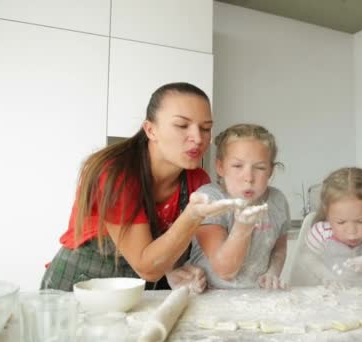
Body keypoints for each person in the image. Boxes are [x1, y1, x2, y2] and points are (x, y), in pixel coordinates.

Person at [41, 82, 238, 291]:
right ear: (151, 130)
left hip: (136, 292)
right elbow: (147, 267)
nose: (198, 138)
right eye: (182, 125)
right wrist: (192, 215)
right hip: (78, 287)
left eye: (205, 128)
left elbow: (185, 250)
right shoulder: (116, 173)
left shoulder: (196, 181)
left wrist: (173, 269)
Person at [188, 124, 290, 289]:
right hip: (210, 296)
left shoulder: (277, 201)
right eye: (237, 166)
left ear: (271, 171)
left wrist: (273, 272)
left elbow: (279, 249)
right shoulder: (210, 200)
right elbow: (225, 270)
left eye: (260, 167)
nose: (248, 177)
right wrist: (243, 226)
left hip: (255, 295)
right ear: (220, 167)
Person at [292, 167, 362, 287]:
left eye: (361, 221)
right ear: (327, 212)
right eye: (341, 222)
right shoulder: (321, 232)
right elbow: (308, 258)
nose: (352, 232)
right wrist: (325, 275)